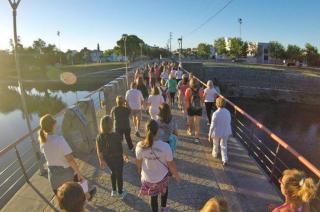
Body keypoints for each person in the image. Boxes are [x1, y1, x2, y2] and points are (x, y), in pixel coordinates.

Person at [39, 114, 96, 198]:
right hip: (66, 176)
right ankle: (87, 196)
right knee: (80, 183)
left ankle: (85, 196)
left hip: (53, 178)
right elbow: (70, 160)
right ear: (53, 125)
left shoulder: (42, 142)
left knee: (64, 200)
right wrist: (79, 173)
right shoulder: (59, 140)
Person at [135, 120, 181, 212]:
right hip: (162, 177)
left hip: (148, 179)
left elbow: (138, 162)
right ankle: (164, 208)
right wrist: (176, 175)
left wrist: (139, 171)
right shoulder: (165, 146)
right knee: (164, 190)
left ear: (145, 131)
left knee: (153, 197)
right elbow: (171, 164)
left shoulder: (140, 146)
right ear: (158, 131)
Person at [96, 115, 129, 199]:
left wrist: (101, 160)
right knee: (119, 175)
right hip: (118, 159)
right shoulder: (117, 135)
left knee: (113, 172)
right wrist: (125, 155)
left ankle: (114, 190)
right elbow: (123, 146)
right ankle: (121, 192)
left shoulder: (99, 137)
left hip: (108, 160)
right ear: (112, 125)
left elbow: (99, 150)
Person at [208, 97, 232, 166]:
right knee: (224, 145)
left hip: (217, 132)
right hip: (225, 131)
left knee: (215, 144)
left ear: (217, 104)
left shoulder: (215, 113)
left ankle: (215, 154)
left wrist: (209, 134)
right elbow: (229, 122)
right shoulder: (228, 112)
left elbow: (212, 125)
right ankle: (224, 159)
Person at [185, 78, 204, 143]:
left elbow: (187, 100)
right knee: (197, 124)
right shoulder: (201, 90)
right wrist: (201, 105)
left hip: (191, 108)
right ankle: (197, 138)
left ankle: (190, 130)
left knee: (191, 122)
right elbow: (202, 100)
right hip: (198, 109)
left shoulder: (188, 90)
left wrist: (186, 109)